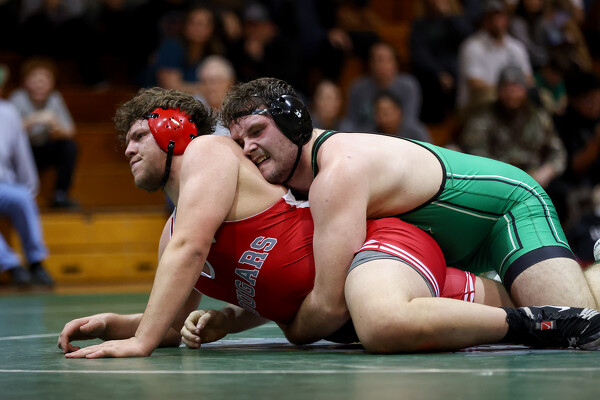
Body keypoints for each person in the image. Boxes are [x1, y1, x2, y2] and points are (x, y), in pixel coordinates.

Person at [57, 87, 600, 357]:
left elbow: (195, 252)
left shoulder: (208, 154)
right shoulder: (174, 231)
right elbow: (174, 319)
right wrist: (120, 324)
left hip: (381, 250)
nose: (127, 150)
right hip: (363, 280)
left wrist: (141, 343)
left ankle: (538, 327)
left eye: (138, 136)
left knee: (381, 321)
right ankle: (574, 292)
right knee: (571, 307)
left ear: (175, 130)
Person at [222, 76, 600, 346]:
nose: (248, 148)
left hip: (506, 212)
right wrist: (237, 319)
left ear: (293, 121)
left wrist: (292, 330)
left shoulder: (337, 173)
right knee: (542, 316)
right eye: (239, 141)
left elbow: (329, 305)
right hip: (447, 243)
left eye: (256, 131)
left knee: (577, 324)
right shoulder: (295, 184)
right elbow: (305, 279)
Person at [458, 65, 566, 189]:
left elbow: (558, 152)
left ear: (525, 90)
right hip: (495, 180)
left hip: (533, 180)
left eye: (516, 87)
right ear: (498, 91)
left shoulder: (540, 118)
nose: (511, 93)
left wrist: (546, 172)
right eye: (506, 87)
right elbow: (474, 152)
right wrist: (497, 172)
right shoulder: (483, 117)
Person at [0, 64, 54, 287]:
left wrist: (29, 186)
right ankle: (11, 265)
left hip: (4, 183)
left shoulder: (8, 112)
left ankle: (36, 262)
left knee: (23, 197)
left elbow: (21, 153)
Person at [9, 57, 78, 209]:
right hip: (23, 152)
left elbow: (70, 131)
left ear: (52, 83)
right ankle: (16, 196)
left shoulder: (55, 98)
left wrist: (57, 127)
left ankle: (60, 195)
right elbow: (8, 132)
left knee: (69, 146)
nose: (39, 84)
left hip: (43, 150)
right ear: (25, 82)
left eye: (44, 80)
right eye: (34, 79)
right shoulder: (17, 98)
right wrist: (34, 119)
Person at [456, 0, 533, 113]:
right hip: (477, 105)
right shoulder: (472, 46)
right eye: (491, 17)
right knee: (488, 95)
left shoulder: (517, 47)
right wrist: (506, 93)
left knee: (538, 95)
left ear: (507, 19)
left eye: (499, 17)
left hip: (510, 101)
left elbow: (528, 78)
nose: (496, 22)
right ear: (484, 20)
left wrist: (513, 93)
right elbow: (474, 83)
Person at [145, 4, 226, 94]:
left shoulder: (213, 52)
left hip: (194, 100)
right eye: (192, 23)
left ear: (212, 28)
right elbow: (171, 87)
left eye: (201, 24)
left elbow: (224, 84)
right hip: (157, 99)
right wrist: (207, 89)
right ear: (185, 26)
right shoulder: (171, 47)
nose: (196, 28)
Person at [344, 41, 422, 132]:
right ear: (370, 64)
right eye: (379, 60)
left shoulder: (408, 86)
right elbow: (352, 121)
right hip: (365, 136)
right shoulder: (358, 88)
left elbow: (410, 120)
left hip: (399, 136)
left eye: (387, 60)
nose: (383, 65)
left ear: (396, 63)